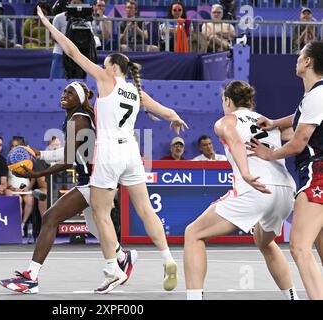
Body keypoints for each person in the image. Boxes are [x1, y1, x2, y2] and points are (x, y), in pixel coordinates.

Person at [36, 6, 188, 294]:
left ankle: (112, 268)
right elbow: (164, 111)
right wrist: (175, 117)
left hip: (108, 153)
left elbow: (71, 51)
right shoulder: (136, 91)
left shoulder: (107, 81)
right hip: (131, 150)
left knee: (101, 211)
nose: (102, 67)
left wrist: (47, 24)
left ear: (114, 67)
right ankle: (168, 257)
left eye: (105, 64)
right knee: (145, 209)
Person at [0, 81, 137, 294]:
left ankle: (31, 278)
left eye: (70, 92)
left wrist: (37, 173)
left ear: (80, 99)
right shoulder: (77, 118)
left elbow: (68, 159)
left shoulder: (79, 120)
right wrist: (40, 154)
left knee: (50, 218)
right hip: (92, 179)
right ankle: (121, 257)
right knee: (95, 227)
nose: (64, 94)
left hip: (94, 180)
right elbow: (71, 151)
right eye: (64, 91)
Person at [184, 80, 299, 300]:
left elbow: (234, 139)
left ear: (227, 100)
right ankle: (293, 297)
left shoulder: (225, 121)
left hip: (255, 188)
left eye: (223, 100)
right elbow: (298, 135)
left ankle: (194, 298)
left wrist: (245, 173)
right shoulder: (269, 122)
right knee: (264, 241)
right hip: (285, 191)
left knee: (193, 234)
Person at [248, 41, 323, 299]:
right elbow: (298, 117)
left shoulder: (316, 95)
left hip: (317, 173)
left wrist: (269, 154)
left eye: (300, 55)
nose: (297, 58)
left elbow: (299, 142)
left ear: (308, 62)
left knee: (299, 247)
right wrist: (273, 124)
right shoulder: (315, 97)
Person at [7, 136, 36, 240]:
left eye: (17, 146)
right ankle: (16, 226)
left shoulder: (28, 161)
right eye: (13, 146)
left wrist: (28, 187)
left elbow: (33, 177)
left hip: (26, 189)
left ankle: (22, 224)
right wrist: (13, 189)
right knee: (17, 200)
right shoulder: (7, 161)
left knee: (29, 200)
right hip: (12, 189)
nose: (14, 148)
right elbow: (4, 180)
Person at [50, 0, 86, 79]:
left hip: (77, 54)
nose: (75, 5)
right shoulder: (58, 17)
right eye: (74, 2)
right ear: (69, 3)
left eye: (78, 3)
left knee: (76, 82)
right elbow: (53, 36)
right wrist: (66, 42)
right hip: (60, 53)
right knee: (56, 80)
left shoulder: (85, 18)